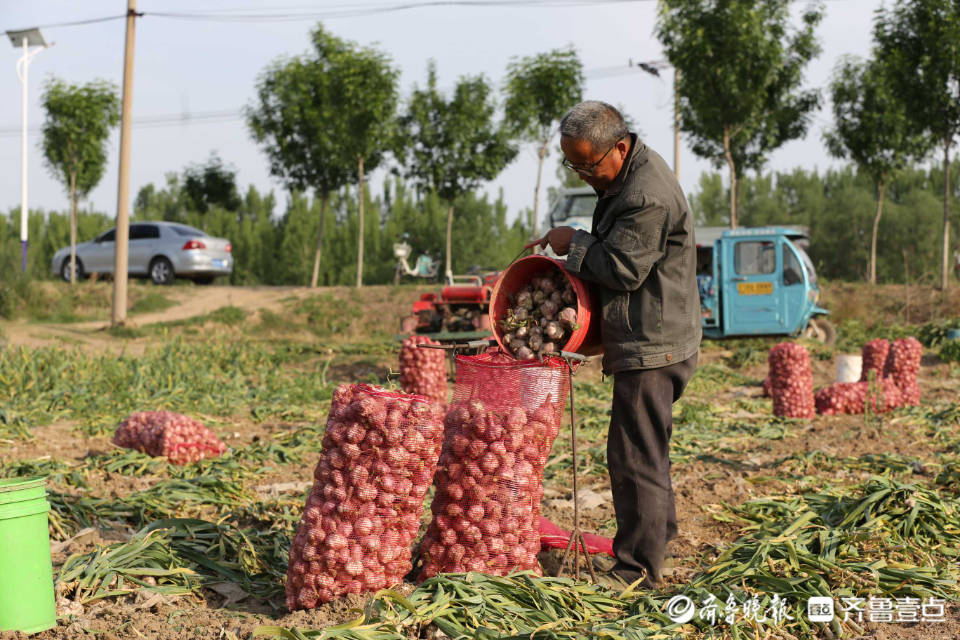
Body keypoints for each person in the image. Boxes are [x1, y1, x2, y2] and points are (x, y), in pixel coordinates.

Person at [536, 101, 701, 589]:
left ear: (620, 146)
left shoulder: (644, 194)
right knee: (648, 449)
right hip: (655, 331)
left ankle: (637, 571)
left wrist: (574, 242)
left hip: (655, 342)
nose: (584, 174)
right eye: (574, 165)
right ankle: (658, 533)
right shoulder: (625, 176)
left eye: (588, 164)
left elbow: (624, 270)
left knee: (633, 455)